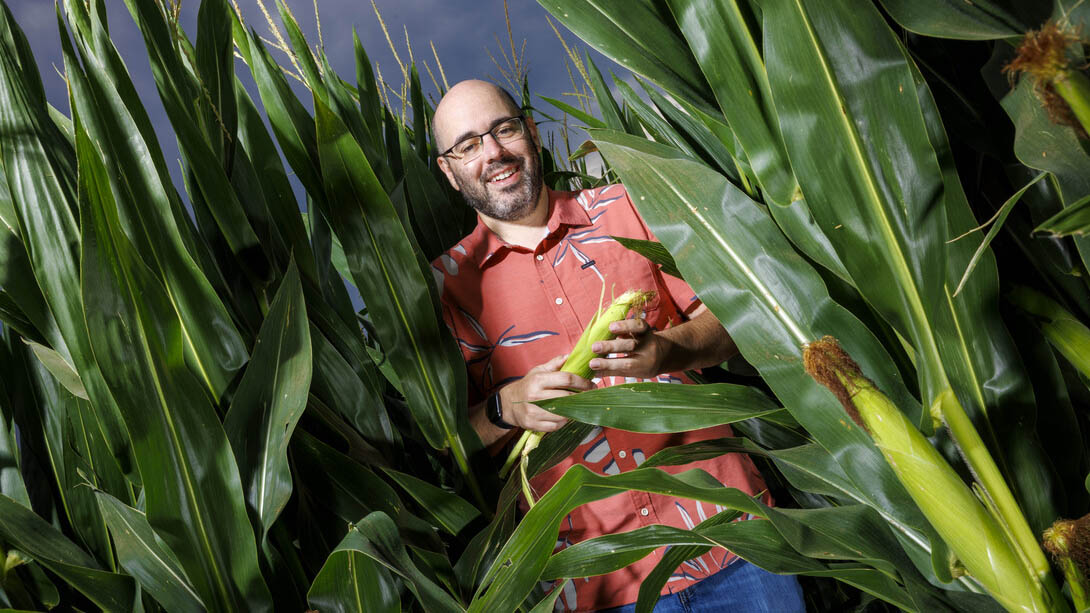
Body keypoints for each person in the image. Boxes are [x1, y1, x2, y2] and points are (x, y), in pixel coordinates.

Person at [431, 79, 805, 613]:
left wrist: (668, 349)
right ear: (449, 171)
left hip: (731, 538)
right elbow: (444, 442)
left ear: (531, 132)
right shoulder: (444, 288)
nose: (493, 152)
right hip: (595, 581)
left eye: (504, 129)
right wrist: (503, 406)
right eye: (467, 145)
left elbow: (728, 321)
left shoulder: (627, 209)